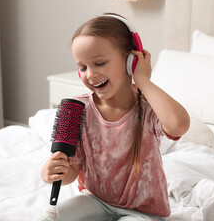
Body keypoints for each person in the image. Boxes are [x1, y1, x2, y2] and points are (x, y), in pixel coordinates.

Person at [41, 13, 190, 221]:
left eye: (99, 63)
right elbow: (72, 171)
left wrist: (143, 80)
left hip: (143, 211)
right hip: (95, 200)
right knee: (52, 217)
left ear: (131, 61)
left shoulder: (148, 107)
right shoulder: (78, 109)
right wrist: (52, 172)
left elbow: (179, 125)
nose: (90, 74)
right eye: (82, 67)